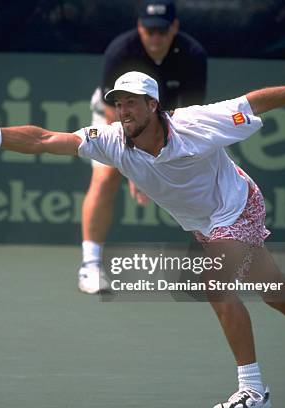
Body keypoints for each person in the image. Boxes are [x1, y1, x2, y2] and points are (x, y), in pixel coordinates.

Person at [0, 68, 285, 407]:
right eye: (118, 104)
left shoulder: (197, 122)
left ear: (153, 105)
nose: (123, 111)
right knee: (276, 293)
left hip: (239, 205)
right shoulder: (111, 141)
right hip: (205, 223)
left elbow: (254, 103)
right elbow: (44, 139)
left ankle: (253, 389)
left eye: (132, 103)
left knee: (215, 281)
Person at [81, 0, 207, 294]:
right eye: (149, 30)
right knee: (105, 176)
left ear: (174, 28)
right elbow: (115, 113)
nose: (155, 38)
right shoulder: (120, 51)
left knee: (198, 173)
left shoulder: (193, 55)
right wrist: (133, 164)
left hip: (168, 121)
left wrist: (160, 155)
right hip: (115, 117)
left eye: (162, 31)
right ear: (139, 27)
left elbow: (190, 113)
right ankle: (90, 266)